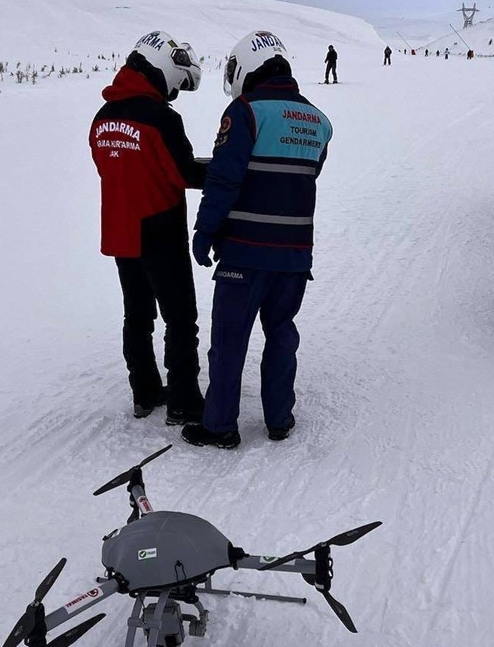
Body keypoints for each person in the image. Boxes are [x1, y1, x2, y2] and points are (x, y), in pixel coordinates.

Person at [182, 31, 333, 449]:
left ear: (248, 64)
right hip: (296, 256)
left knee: (229, 341)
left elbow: (224, 180)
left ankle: (219, 426)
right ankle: (280, 418)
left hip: (244, 254)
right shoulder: (320, 121)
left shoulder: (245, 111)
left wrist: (205, 230)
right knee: (282, 333)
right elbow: (307, 176)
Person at [89, 30, 207, 425]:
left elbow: (107, 168)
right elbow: (185, 172)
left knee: (137, 316)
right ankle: (184, 403)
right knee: (179, 317)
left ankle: (143, 393)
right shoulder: (161, 118)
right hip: (159, 226)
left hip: (120, 229)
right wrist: (223, 168)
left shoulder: (101, 118)